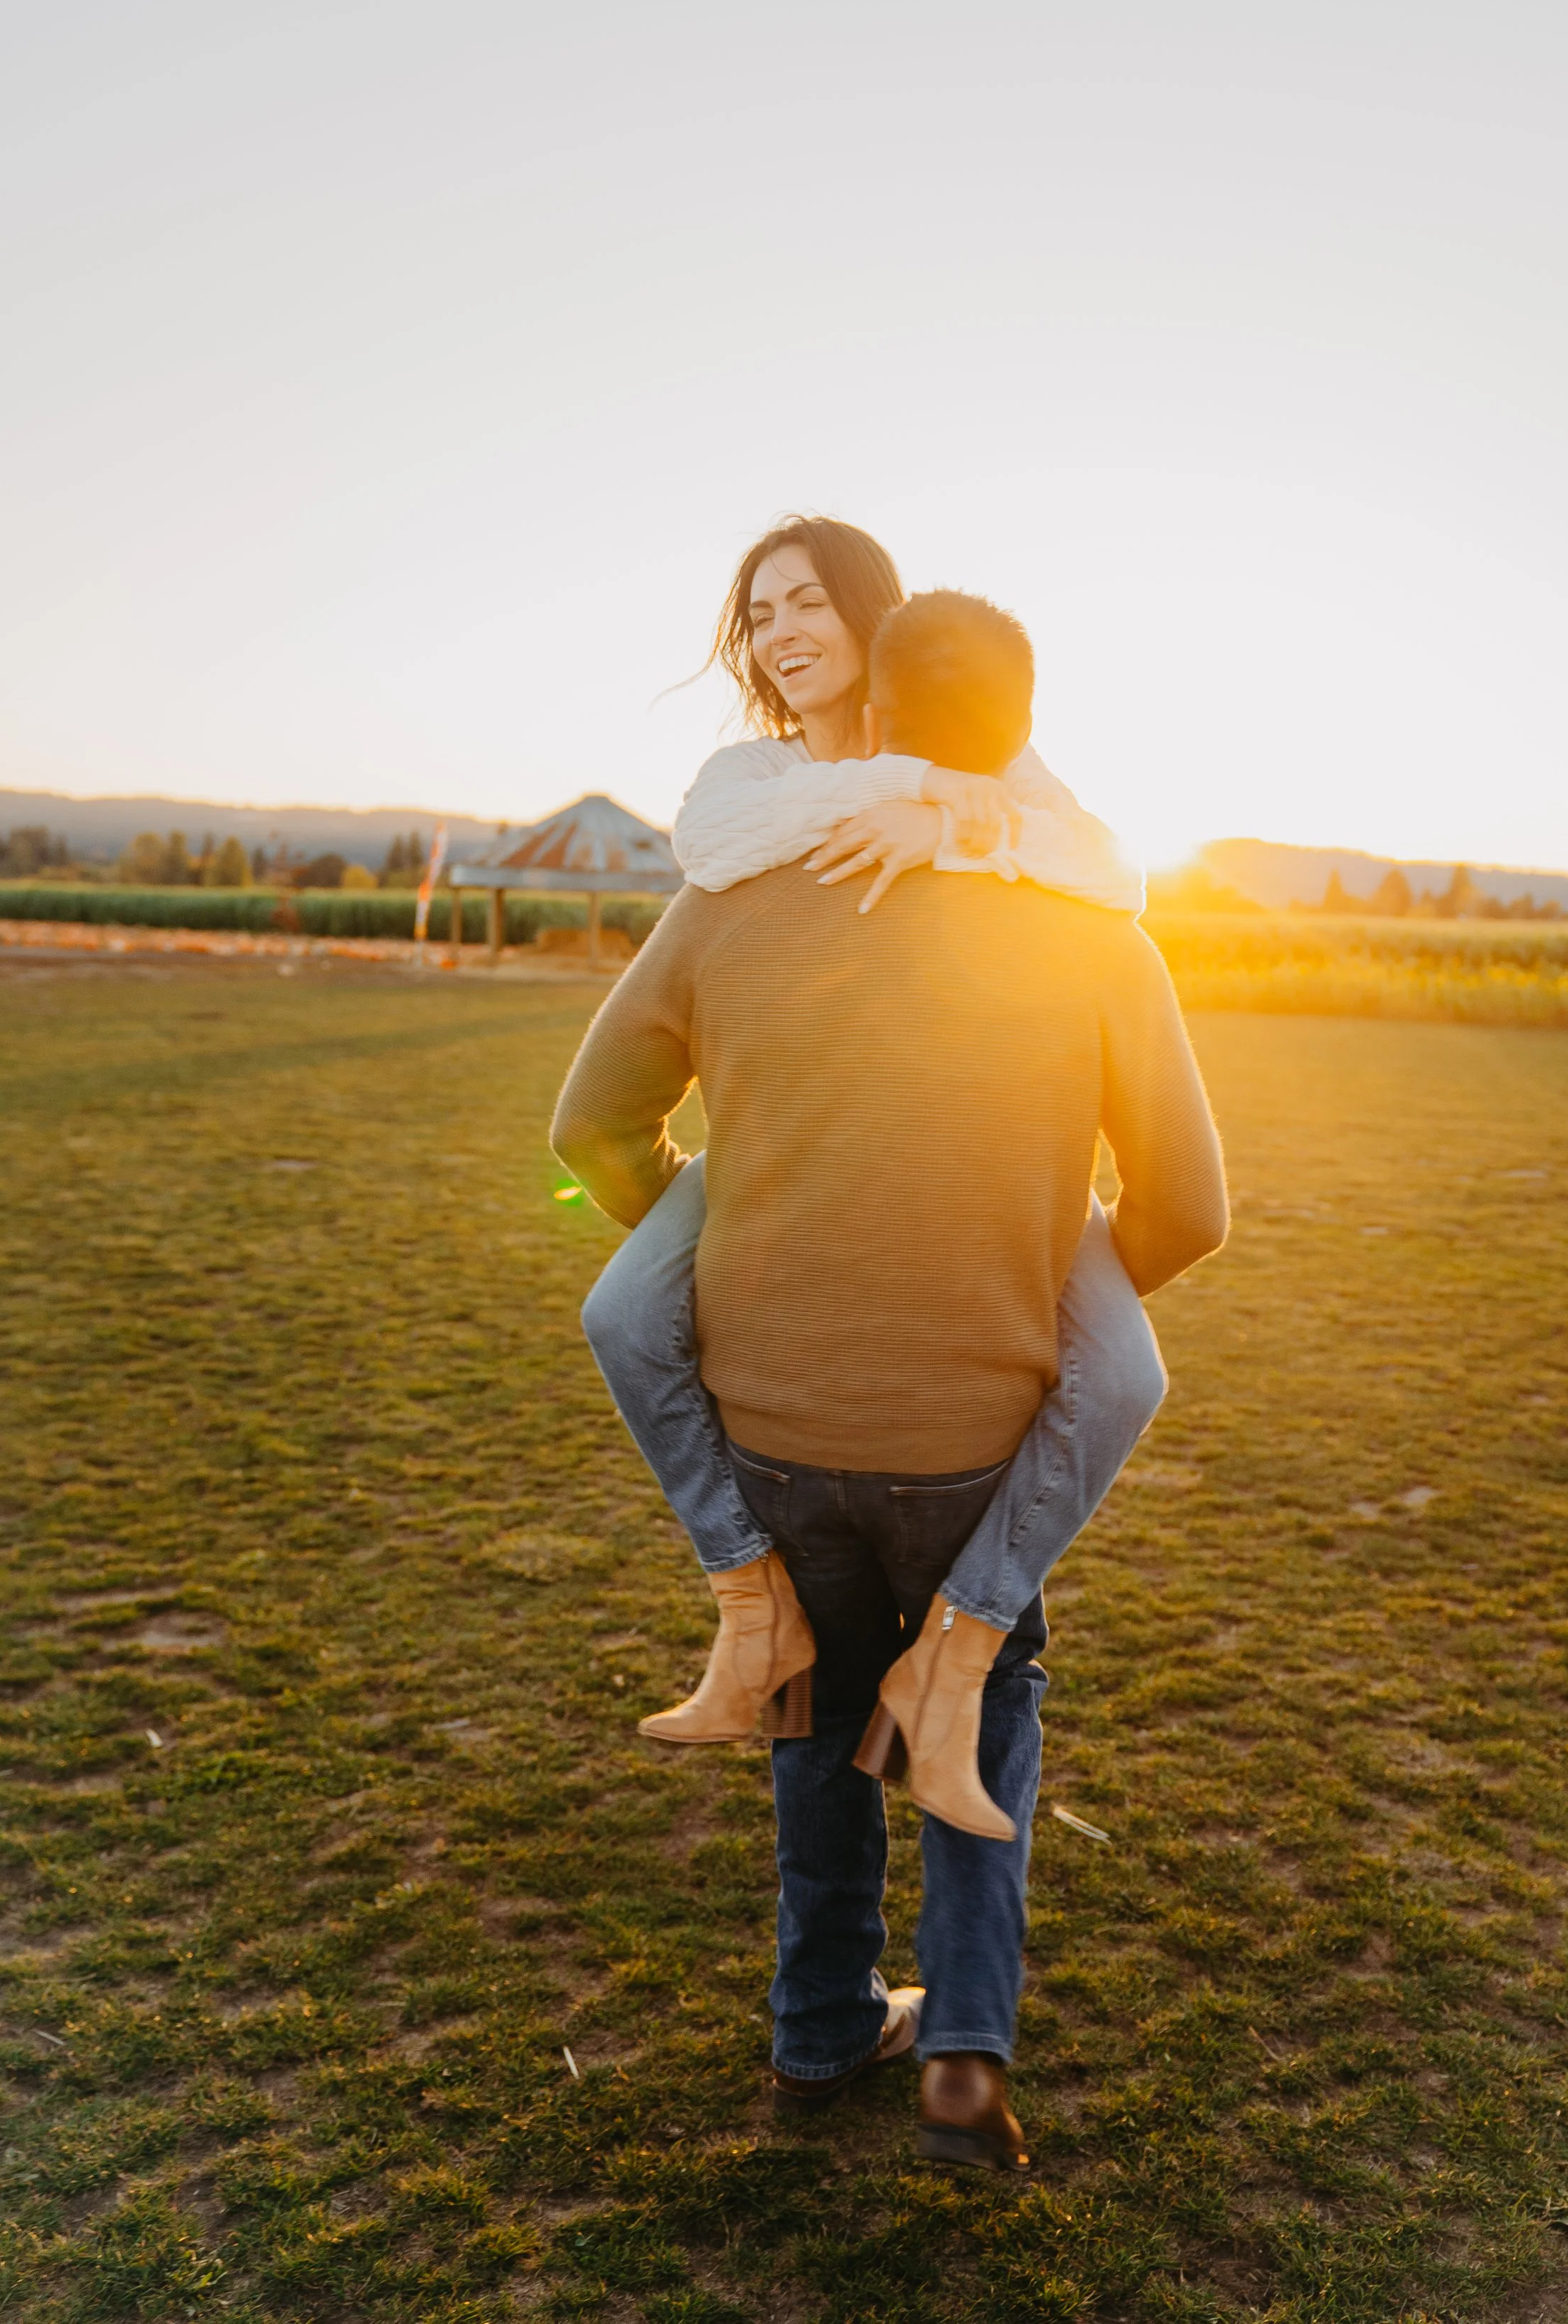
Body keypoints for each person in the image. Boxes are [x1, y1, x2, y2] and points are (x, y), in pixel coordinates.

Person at [551, 590, 1227, 2169]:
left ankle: (812, 2033)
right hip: (978, 1434)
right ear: (1028, 724)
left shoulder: (730, 897)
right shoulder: (1097, 931)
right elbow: (1190, 1212)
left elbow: (591, 1130)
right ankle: (964, 2063)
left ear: (874, 713)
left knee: (816, 1707)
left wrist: (745, 1246)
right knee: (976, 1709)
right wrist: (1013, 1269)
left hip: (775, 1425)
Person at [582, 517, 1171, 1782]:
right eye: (760, 616)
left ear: (878, 623)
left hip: (976, 1169)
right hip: (781, 1154)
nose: (780, 634)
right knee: (624, 1308)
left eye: (805, 604)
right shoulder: (755, 782)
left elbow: (1111, 864)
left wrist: (961, 828)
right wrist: (898, 802)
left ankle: (951, 1645)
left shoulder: (998, 775)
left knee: (1125, 1373)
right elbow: (714, 852)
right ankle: (748, 1599)